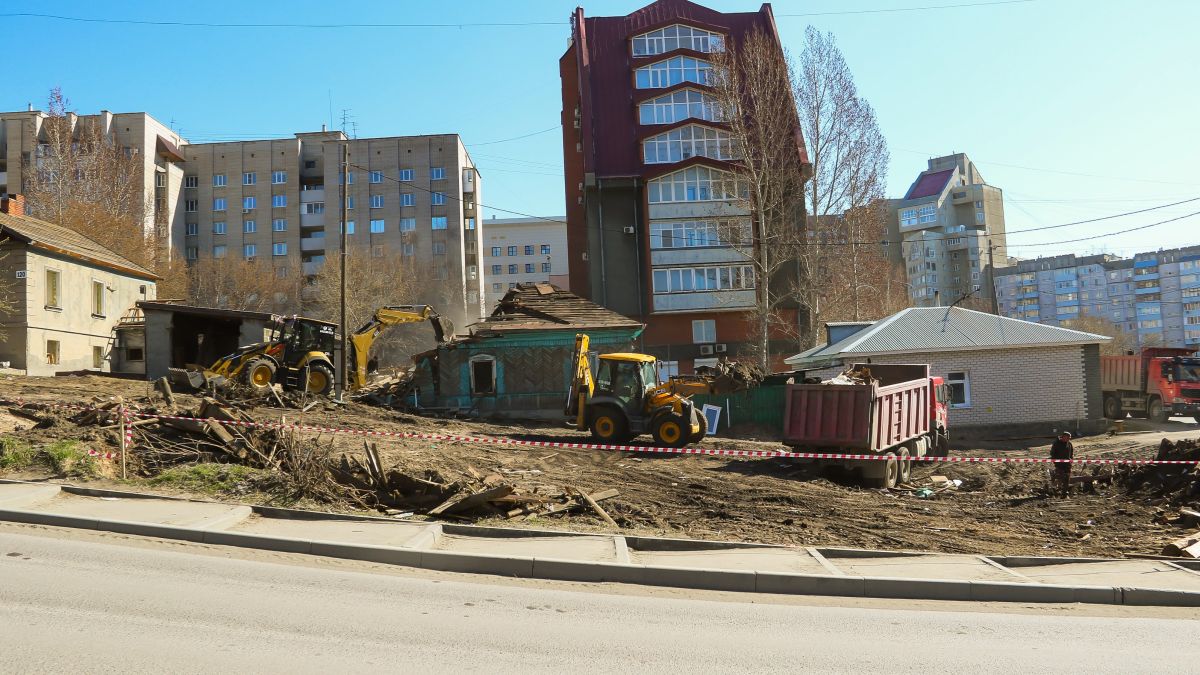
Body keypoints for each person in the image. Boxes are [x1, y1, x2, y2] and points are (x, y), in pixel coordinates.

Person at [1049, 431, 1074, 497]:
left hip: (1067, 465)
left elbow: (1071, 453)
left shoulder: (1069, 444)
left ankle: (1064, 493)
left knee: (1067, 478)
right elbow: (1052, 453)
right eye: (1067, 437)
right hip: (1059, 464)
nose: (1068, 439)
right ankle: (1056, 489)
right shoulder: (1057, 443)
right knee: (1060, 477)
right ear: (1063, 437)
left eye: (1069, 438)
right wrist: (1055, 461)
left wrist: (1071, 459)